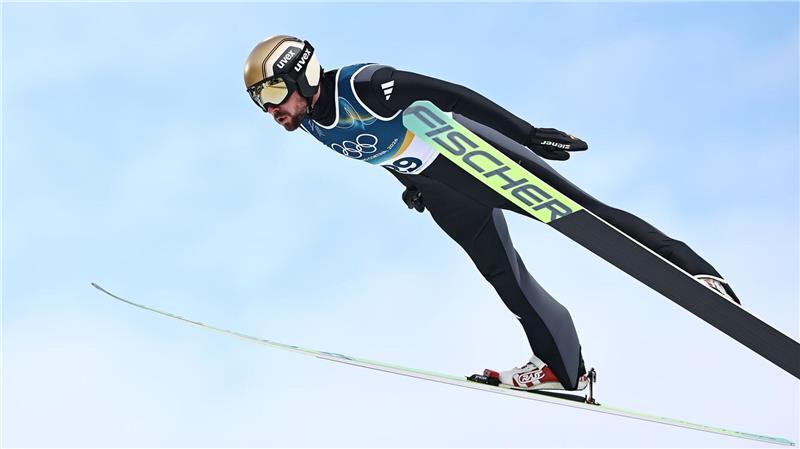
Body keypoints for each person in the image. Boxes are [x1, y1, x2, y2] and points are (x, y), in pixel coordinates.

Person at [243, 35, 740, 392]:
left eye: (270, 95)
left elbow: (451, 96)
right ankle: (560, 369)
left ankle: (695, 272)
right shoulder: (309, 124)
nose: (270, 111)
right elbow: (378, 148)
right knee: (503, 275)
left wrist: (526, 134)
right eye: (259, 103)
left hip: (471, 156)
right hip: (441, 189)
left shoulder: (366, 85)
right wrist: (411, 185)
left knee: (588, 217)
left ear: (300, 76)